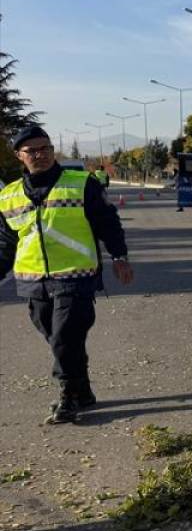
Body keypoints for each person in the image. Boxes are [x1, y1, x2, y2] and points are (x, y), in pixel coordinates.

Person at [0, 126, 134, 423]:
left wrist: (119, 257)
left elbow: (108, 223)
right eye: (32, 151)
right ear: (19, 156)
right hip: (33, 280)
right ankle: (82, 390)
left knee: (64, 337)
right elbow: (6, 243)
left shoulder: (81, 183)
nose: (41, 155)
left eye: (45, 148)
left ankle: (68, 396)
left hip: (76, 276)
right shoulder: (8, 195)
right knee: (57, 338)